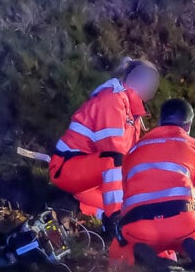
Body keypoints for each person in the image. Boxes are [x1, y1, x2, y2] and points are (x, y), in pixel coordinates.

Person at [114, 98, 195, 266]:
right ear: (188, 125)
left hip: (137, 228)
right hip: (184, 225)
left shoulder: (134, 150)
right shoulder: (194, 146)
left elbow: (126, 192)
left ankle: (150, 262)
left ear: (160, 121)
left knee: (126, 248)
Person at [49, 59, 160, 219]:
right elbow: (113, 155)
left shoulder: (130, 109)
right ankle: (113, 217)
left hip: (89, 176)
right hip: (68, 169)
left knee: (139, 203)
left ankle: (91, 212)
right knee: (128, 203)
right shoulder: (112, 101)